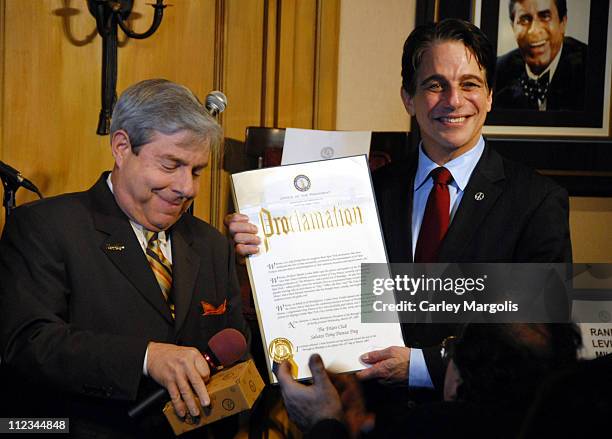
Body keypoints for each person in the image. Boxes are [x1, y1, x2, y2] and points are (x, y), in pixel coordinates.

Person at [226, 18, 571, 399]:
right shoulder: (366, 190)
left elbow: (541, 340)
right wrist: (267, 252)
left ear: (489, 95)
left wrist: (422, 367)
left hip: (474, 419)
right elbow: (323, 288)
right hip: (371, 417)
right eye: (435, 85)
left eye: (469, 84)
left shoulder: (537, 201)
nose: (453, 100)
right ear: (408, 97)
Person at [0, 79, 249, 438]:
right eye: (171, 165)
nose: (187, 188)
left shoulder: (212, 245)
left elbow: (236, 352)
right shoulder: (46, 227)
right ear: (121, 147)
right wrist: (146, 358)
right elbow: (28, 343)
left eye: (196, 171)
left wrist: (257, 274)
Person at [276, 323, 582, 438]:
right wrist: (353, 425)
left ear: (461, 378)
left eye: (450, 350)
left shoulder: (432, 428)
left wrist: (323, 423)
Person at [494, 0, 588, 111]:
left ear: (563, 23)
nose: (534, 30)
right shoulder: (497, 72)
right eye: (524, 19)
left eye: (545, 16)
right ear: (513, 27)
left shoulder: (590, 67)